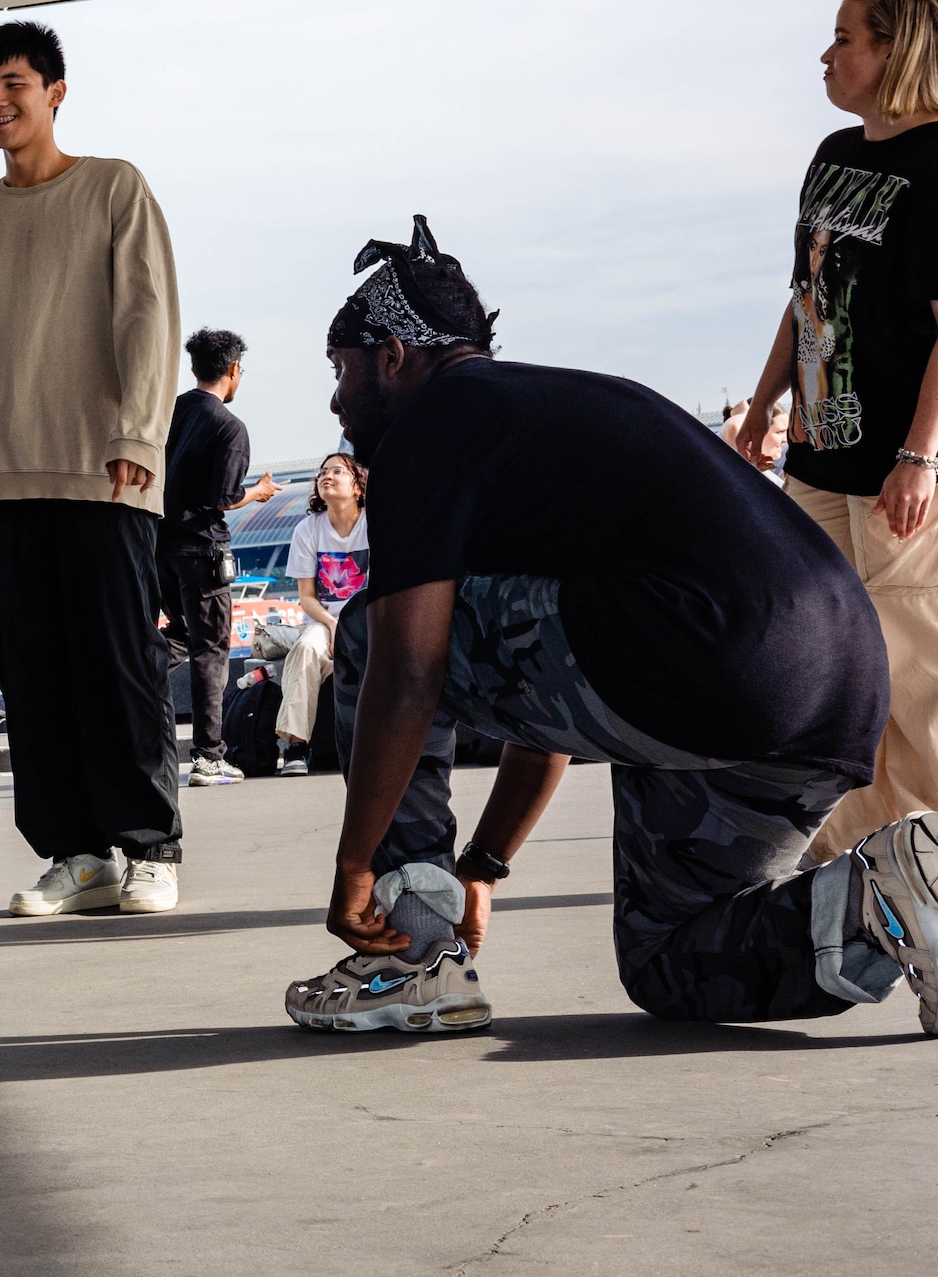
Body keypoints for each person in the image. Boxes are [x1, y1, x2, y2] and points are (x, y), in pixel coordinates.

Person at [281, 219, 937, 1040]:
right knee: (670, 959)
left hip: (707, 654)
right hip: (833, 688)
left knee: (371, 631)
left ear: (393, 355)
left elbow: (409, 668)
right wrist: (483, 863)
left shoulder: (433, 427)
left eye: (341, 370)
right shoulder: (549, 415)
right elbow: (545, 700)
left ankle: (410, 955)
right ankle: (891, 895)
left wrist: (355, 865)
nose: (337, 400)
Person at [0, 21, 186, 918]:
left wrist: (139, 435)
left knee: (119, 667)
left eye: (14, 82)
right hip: (0, 482)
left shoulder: (113, 187)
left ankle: (148, 847)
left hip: (104, 475)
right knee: (31, 676)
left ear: (56, 91)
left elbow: (148, 316)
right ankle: (77, 853)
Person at [735, 0, 938, 866]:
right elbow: (806, 293)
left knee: (916, 683)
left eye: (846, 39)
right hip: (820, 462)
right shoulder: (834, 157)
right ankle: (866, 873)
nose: (826, 54)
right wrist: (765, 402)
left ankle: (921, 866)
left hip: (903, 472)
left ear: (898, 53)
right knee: (842, 674)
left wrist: (920, 456)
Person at [157, 328, 281, 788]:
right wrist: (259, 493)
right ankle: (209, 757)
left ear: (194, 369)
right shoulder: (230, 427)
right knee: (212, 648)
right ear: (233, 371)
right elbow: (223, 496)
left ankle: (131, 688)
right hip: (202, 550)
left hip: (161, 549)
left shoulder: (171, 413)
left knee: (179, 637)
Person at [274, 453, 368, 776]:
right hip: (323, 620)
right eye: (323, 472)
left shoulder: (375, 524)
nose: (327, 476)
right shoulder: (307, 530)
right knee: (304, 649)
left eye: (338, 471)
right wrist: (333, 624)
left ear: (358, 486)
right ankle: (296, 746)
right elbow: (306, 598)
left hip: (370, 620)